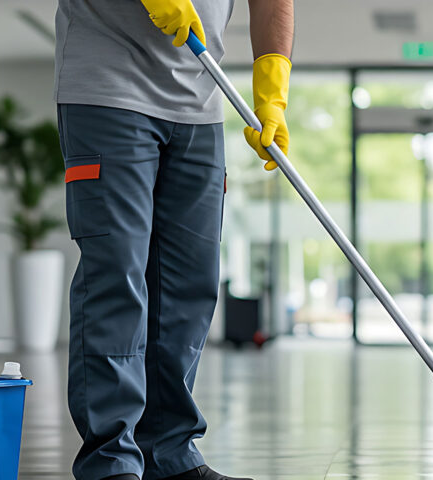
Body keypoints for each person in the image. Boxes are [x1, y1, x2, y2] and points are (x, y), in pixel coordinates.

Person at [54, 0, 293, 478]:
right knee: (117, 275)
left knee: (189, 286)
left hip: (201, 102)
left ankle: (169, 454)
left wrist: (273, 85)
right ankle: (111, 460)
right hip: (108, 86)